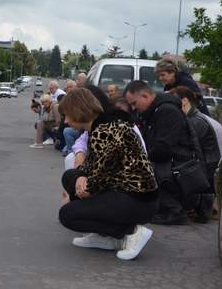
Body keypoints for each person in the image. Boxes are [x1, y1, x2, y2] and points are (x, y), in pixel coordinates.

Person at [58, 88, 158, 261]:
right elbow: (92, 168)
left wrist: (81, 190)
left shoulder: (105, 131)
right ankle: (107, 237)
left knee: (67, 215)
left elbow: (98, 180)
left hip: (136, 199)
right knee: (70, 177)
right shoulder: (102, 126)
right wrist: (80, 178)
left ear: (78, 111)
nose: (66, 121)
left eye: (67, 115)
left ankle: (131, 232)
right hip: (124, 191)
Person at [125, 80, 198, 225]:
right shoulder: (156, 110)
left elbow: (164, 148)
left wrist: (138, 158)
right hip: (172, 163)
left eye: (134, 103)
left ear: (145, 96)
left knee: (140, 167)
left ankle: (174, 211)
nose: (133, 108)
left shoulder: (167, 111)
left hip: (179, 166)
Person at [169, 86, 222, 223]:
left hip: (206, 165)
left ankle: (201, 209)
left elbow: (195, 151)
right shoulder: (193, 118)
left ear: (184, 101)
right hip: (205, 163)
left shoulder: (197, 120)